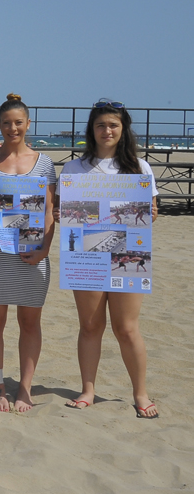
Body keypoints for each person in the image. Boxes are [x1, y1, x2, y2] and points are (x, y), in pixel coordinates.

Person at [56, 100, 160, 418]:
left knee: (126, 328)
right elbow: (63, 212)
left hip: (127, 250)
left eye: (113, 125)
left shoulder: (139, 168)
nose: (107, 130)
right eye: (101, 125)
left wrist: (149, 212)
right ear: (92, 130)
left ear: (123, 129)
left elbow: (152, 212)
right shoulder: (75, 168)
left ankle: (140, 394)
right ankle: (88, 390)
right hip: (86, 252)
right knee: (90, 325)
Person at [0, 94, 56, 413]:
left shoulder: (45, 163)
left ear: (28, 124)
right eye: (6, 123)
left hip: (34, 255)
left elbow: (49, 211)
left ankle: (24, 387)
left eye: (18, 122)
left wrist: (44, 250)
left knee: (30, 322)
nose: (12, 128)